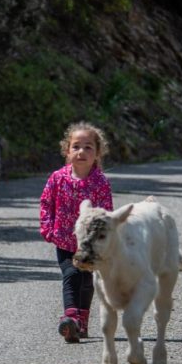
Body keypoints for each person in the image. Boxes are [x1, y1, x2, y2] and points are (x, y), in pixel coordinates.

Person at [39, 122, 113, 343]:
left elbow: (104, 213)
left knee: (87, 281)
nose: (81, 152)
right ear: (67, 150)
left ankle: (82, 321)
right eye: (76, 146)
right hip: (63, 240)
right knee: (71, 275)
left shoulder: (100, 182)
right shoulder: (58, 178)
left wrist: (102, 239)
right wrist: (48, 228)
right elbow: (46, 203)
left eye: (88, 147)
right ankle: (70, 317)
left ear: (98, 153)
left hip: (89, 245)